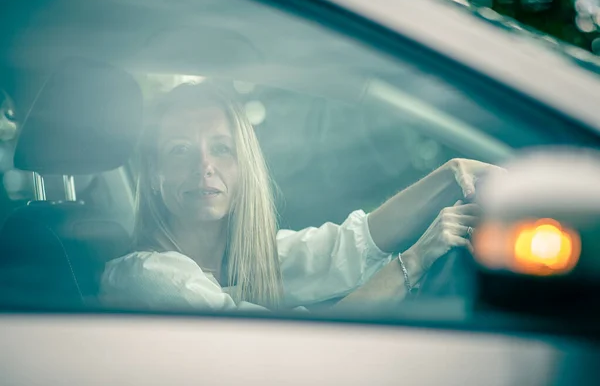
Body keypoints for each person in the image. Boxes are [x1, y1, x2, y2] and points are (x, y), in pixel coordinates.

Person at [99, 82, 497, 312]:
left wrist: (451, 174)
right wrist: (417, 257)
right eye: (180, 150)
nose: (204, 165)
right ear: (154, 175)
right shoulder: (147, 278)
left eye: (222, 148)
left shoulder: (249, 258)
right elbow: (294, 350)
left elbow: (352, 243)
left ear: (244, 168)